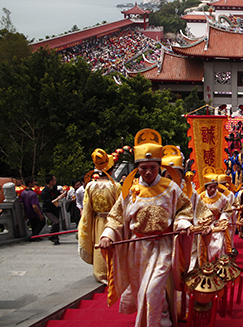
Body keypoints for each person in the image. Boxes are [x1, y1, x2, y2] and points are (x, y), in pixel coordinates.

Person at [99, 129, 194, 327]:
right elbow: (116, 217)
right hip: (137, 249)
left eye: (152, 167)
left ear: (159, 166)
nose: (148, 172)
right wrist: (108, 234)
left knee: (151, 289)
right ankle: (163, 316)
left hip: (163, 246)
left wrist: (183, 223)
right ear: (137, 168)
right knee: (143, 290)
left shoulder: (171, 188)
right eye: (143, 168)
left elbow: (184, 209)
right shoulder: (130, 189)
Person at [78, 149, 121, 284]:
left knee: (98, 244)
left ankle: (100, 272)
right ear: (112, 170)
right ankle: (113, 272)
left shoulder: (90, 186)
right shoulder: (116, 186)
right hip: (112, 222)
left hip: (97, 221)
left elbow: (87, 209)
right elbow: (120, 209)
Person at [41, 174, 66, 245]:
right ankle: (51, 235)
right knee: (56, 222)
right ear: (50, 182)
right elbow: (49, 202)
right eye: (54, 180)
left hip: (55, 208)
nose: (55, 181)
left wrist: (60, 193)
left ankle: (55, 238)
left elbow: (56, 192)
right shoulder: (44, 192)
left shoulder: (54, 188)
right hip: (48, 209)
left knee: (57, 224)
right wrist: (59, 198)